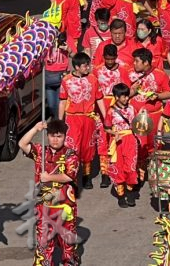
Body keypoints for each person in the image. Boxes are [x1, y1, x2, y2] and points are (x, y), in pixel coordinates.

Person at [20, 119, 79, 264]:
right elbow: (22, 144)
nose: (55, 139)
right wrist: (35, 128)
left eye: (59, 136)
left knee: (68, 243)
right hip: (44, 205)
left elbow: (69, 176)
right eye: (52, 135)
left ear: (64, 137)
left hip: (64, 205)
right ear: (48, 136)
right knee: (43, 243)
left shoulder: (70, 154)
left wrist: (49, 177)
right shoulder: (40, 151)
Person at [59, 52, 105, 189]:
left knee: (88, 147)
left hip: (89, 118)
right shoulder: (66, 80)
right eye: (85, 66)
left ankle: (86, 177)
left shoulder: (93, 79)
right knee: (72, 147)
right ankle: (70, 176)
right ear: (77, 67)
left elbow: (99, 98)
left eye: (88, 65)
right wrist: (60, 121)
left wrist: (105, 117)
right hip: (72, 118)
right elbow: (62, 101)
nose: (88, 68)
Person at [124, 48, 170, 169]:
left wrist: (158, 96)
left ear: (146, 62)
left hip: (154, 116)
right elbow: (122, 95)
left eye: (136, 61)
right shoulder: (129, 73)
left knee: (153, 143)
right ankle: (138, 174)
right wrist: (132, 91)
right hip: (135, 115)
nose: (134, 63)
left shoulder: (160, 74)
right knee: (138, 144)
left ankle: (153, 171)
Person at [94, 43, 125, 187]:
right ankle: (104, 174)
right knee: (102, 142)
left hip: (117, 111)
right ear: (103, 57)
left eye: (112, 59)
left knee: (116, 141)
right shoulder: (97, 71)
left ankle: (116, 171)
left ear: (116, 57)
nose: (110, 62)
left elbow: (127, 92)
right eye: (107, 59)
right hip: (101, 110)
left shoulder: (123, 71)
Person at [104, 83, 139, 206]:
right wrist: (115, 133)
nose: (126, 98)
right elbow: (107, 128)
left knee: (130, 167)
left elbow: (137, 124)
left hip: (130, 139)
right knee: (118, 168)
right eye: (123, 96)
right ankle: (120, 195)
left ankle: (130, 193)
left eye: (127, 96)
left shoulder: (132, 109)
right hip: (117, 141)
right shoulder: (111, 111)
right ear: (117, 97)